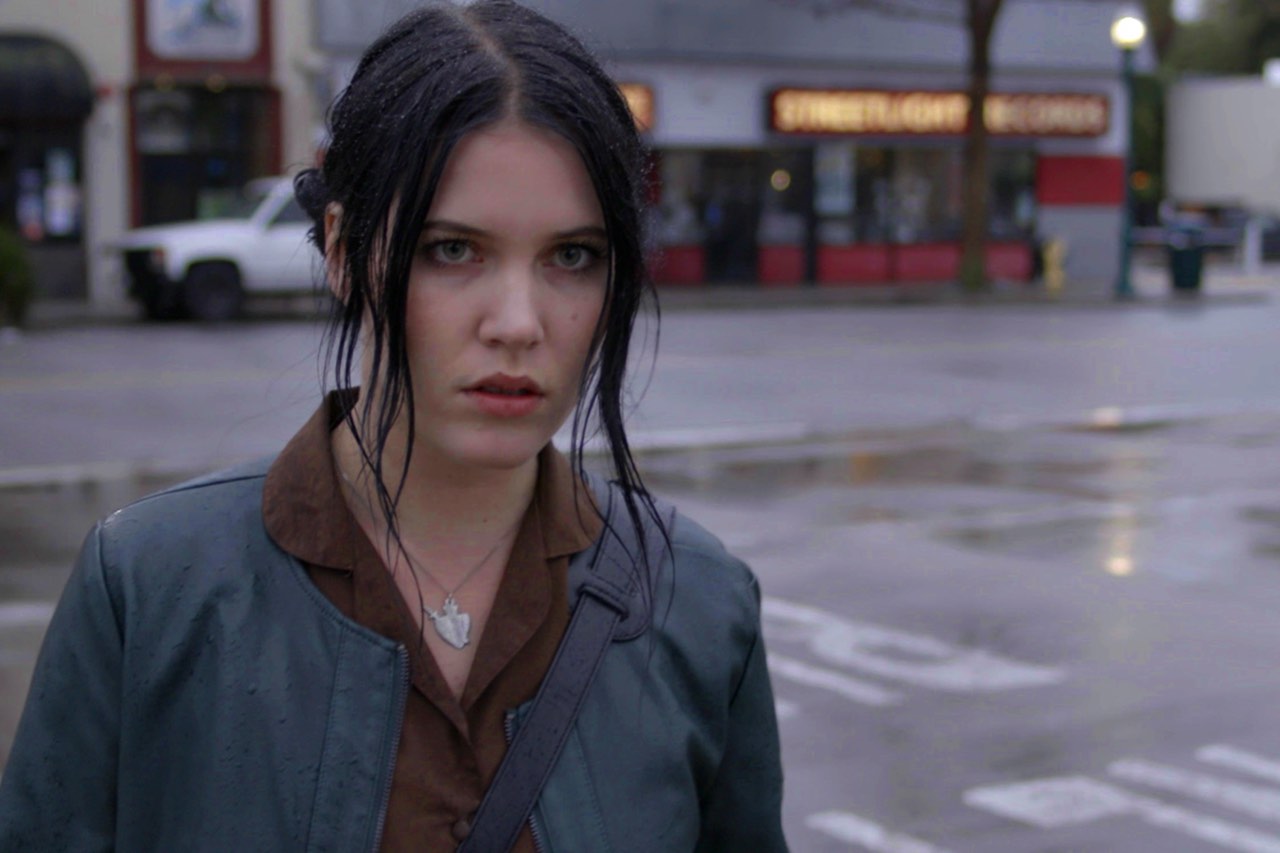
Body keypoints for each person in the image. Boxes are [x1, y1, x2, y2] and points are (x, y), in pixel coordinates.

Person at [0, 1, 787, 851]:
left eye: (572, 256)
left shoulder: (699, 603)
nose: (518, 323)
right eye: (453, 249)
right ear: (341, 249)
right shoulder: (151, 588)